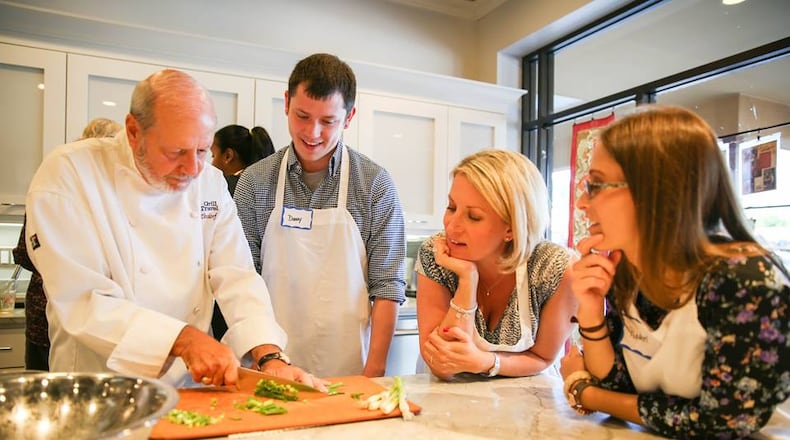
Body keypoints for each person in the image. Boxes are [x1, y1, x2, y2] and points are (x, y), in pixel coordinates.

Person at [24, 69, 322, 389]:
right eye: (176, 152)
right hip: (100, 387)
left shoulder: (209, 182)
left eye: (203, 151)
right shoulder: (69, 176)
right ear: (133, 131)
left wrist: (269, 355)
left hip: (191, 385)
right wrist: (184, 340)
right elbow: (83, 300)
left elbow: (236, 274)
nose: (192, 169)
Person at [559, 105, 789, 438]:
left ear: (657, 192)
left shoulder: (744, 281)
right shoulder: (629, 271)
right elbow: (620, 383)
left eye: (595, 185)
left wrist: (585, 393)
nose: (582, 202)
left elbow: (718, 423)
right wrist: (591, 311)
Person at [234, 53, 406, 378]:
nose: (312, 132)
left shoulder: (374, 184)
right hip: (269, 364)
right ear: (287, 103)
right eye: (302, 116)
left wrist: (374, 372)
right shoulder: (254, 182)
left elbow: (387, 286)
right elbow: (243, 280)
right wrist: (262, 357)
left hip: (350, 369)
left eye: (328, 121)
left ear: (349, 117)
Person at [416, 149, 577, 380]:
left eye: (473, 216)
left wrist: (486, 362)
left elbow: (542, 358)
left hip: (525, 395)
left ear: (511, 228)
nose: (451, 226)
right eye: (451, 207)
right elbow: (442, 364)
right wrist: (467, 279)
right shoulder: (436, 254)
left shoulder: (553, 268)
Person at [13, 117, 122, 371]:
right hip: (49, 308)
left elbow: (23, 254)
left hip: (97, 313)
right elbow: (29, 253)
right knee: (50, 379)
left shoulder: (109, 194)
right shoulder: (57, 184)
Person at [209, 124, 276, 340]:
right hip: (263, 298)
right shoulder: (269, 184)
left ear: (228, 156)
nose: (210, 163)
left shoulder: (224, 187)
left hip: (230, 303)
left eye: (211, 155)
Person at [210, 124, 275, 195]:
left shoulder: (223, 187)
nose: (212, 163)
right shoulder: (267, 184)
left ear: (228, 156)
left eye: (213, 155)